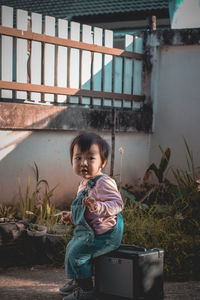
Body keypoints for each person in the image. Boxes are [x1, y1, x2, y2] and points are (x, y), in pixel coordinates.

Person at [59, 132, 124, 300]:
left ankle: (87, 291)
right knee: (71, 248)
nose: (84, 163)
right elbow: (85, 214)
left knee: (78, 256)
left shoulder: (104, 182)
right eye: (78, 158)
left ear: (102, 162)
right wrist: (72, 217)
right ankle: (78, 280)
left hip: (105, 234)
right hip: (90, 232)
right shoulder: (83, 184)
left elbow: (118, 204)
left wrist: (98, 206)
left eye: (90, 158)